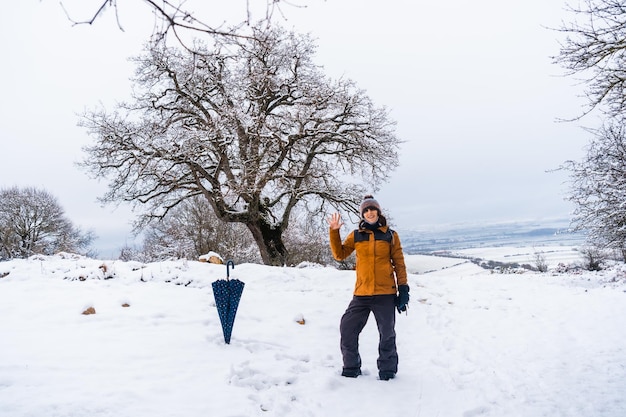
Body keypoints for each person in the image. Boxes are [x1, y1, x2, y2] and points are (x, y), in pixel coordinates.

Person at [327, 195, 410, 381]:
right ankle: (351, 367)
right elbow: (339, 255)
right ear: (362, 215)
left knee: (387, 333)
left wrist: (403, 289)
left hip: (385, 293)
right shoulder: (356, 235)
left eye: (372, 209)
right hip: (362, 294)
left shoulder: (390, 235)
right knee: (347, 328)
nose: (369, 212)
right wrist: (334, 232)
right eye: (366, 210)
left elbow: (399, 263)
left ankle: (387, 370)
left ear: (378, 212)